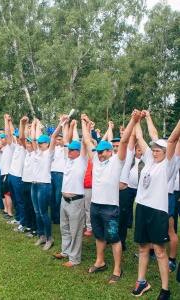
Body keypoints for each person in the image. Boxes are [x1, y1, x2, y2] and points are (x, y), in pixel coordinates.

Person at [82, 110, 140, 283]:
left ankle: (117, 269)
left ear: (109, 152)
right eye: (98, 152)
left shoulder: (117, 161)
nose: (99, 154)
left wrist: (133, 120)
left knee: (114, 238)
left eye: (102, 152)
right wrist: (84, 124)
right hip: (95, 205)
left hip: (110, 207)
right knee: (99, 236)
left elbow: (123, 141)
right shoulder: (96, 160)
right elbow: (86, 140)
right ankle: (100, 262)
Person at [131, 115, 180, 299]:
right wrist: (136, 120)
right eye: (154, 149)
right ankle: (141, 281)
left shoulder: (169, 164)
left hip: (158, 211)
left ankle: (165, 289)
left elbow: (174, 138)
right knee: (143, 247)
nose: (155, 151)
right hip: (142, 208)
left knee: (159, 251)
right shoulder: (150, 161)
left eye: (159, 149)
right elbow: (140, 137)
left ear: (166, 151)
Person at [52, 117, 87, 268]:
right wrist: (64, 123)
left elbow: (85, 142)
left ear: (78, 152)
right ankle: (65, 252)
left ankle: (74, 258)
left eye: (73, 150)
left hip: (76, 201)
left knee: (75, 231)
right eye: (69, 149)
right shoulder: (68, 159)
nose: (70, 151)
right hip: (64, 200)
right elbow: (66, 138)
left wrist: (84, 124)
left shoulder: (82, 160)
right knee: (64, 228)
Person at [30, 118, 56, 250]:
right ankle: (41, 236)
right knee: (37, 212)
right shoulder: (38, 153)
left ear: (48, 143)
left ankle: (49, 237)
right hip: (34, 185)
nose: (39, 144)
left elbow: (55, 136)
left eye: (42, 143)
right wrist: (35, 125)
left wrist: (61, 124)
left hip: (44, 185)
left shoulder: (49, 154)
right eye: (39, 142)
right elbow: (33, 138)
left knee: (44, 212)